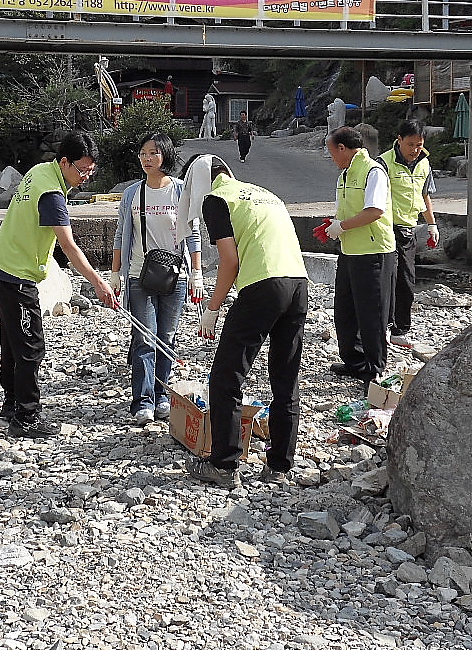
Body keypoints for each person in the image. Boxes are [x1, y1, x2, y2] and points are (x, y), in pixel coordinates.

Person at [176, 154, 308, 488]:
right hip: (298, 285)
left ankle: (224, 464)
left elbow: (229, 260)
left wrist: (212, 308)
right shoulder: (262, 193)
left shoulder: (216, 200)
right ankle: (279, 467)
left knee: (226, 377)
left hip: (263, 287)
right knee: (285, 377)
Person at [0, 134, 117, 439]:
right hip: (16, 274)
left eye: (90, 172)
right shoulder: (52, 194)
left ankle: (12, 404)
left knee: (13, 341)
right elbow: (69, 246)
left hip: (2, 263)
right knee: (30, 346)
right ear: (64, 162)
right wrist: (98, 283)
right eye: (81, 171)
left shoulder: (40, 170)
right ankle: (27, 417)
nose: (84, 177)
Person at [109, 133, 204, 425]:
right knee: (144, 339)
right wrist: (115, 273)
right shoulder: (132, 194)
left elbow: (194, 235)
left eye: (153, 153)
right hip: (139, 274)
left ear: (165, 156)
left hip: (177, 276)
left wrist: (198, 273)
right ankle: (142, 401)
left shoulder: (180, 192)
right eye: (143, 153)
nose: (147, 159)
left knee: (167, 338)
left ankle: (163, 395)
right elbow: (121, 234)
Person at [321, 126, 397, 385]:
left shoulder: (373, 171)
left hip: (374, 251)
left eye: (332, 153)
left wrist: (340, 226)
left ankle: (374, 368)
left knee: (372, 313)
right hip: (350, 250)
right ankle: (354, 361)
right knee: (345, 310)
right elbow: (349, 211)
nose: (331, 158)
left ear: (342, 148)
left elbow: (374, 211)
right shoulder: (344, 175)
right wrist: (333, 224)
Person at [381, 119, 438, 349]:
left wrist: (432, 225)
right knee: (387, 278)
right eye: (411, 144)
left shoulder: (425, 163)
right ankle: (382, 326)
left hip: (409, 229)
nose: (415, 150)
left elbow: (425, 196)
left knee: (406, 279)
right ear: (399, 140)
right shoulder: (384, 164)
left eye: (419, 144)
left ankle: (400, 329)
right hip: (386, 228)